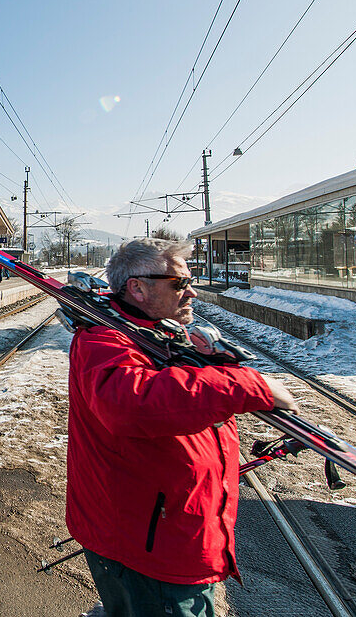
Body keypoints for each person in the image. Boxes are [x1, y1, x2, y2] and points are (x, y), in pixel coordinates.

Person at [66, 238, 298, 617]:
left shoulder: (155, 332)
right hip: (148, 540)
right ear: (137, 288)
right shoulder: (105, 338)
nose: (190, 291)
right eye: (178, 283)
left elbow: (176, 389)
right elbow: (131, 404)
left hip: (168, 528)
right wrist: (248, 386)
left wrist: (213, 364)